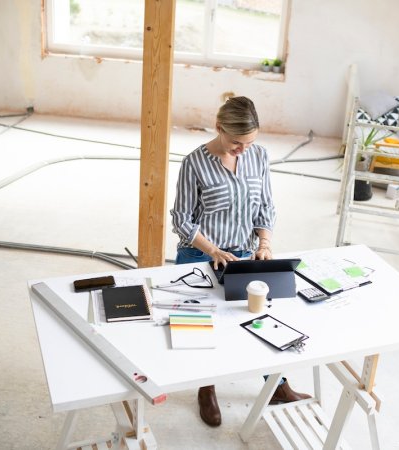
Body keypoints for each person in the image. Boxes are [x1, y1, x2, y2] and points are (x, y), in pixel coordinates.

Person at [170, 95, 311, 427]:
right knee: (202, 326)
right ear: (219, 128)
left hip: (245, 256)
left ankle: (276, 385)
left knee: (259, 320)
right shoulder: (195, 164)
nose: (242, 150)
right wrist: (213, 251)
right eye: (236, 143)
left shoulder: (258, 156)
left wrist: (264, 243)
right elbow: (181, 220)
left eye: (249, 143)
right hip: (199, 257)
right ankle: (206, 388)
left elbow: (265, 206)